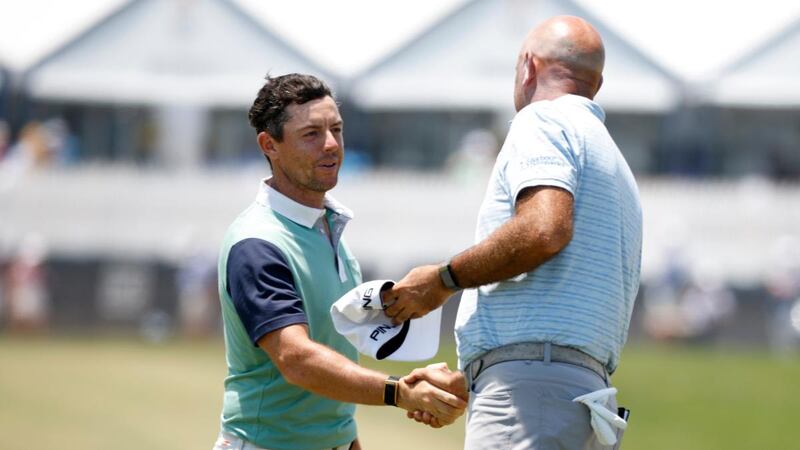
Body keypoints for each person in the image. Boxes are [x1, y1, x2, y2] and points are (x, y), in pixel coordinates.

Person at [386, 16, 643, 449]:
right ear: (596, 84)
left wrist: (442, 280)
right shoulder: (613, 159)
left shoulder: (543, 120)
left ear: (528, 67)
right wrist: (479, 373)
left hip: (531, 397)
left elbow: (544, 230)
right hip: (580, 393)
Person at [213, 73, 467, 450]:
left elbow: (334, 357)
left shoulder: (328, 228)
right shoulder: (258, 242)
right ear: (270, 145)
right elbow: (296, 358)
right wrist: (399, 392)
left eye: (336, 129)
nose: (331, 145)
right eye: (311, 134)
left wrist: (348, 439)